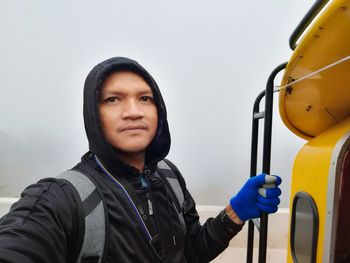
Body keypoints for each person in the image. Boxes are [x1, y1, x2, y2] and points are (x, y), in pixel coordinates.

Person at [0, 57, 282, 263]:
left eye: (145, 98)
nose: (133, 112)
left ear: (159, 110)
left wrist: (234, 213)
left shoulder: (168, 176)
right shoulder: (62, 199)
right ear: (93, 115)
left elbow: (191, 253)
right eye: (113, 99)